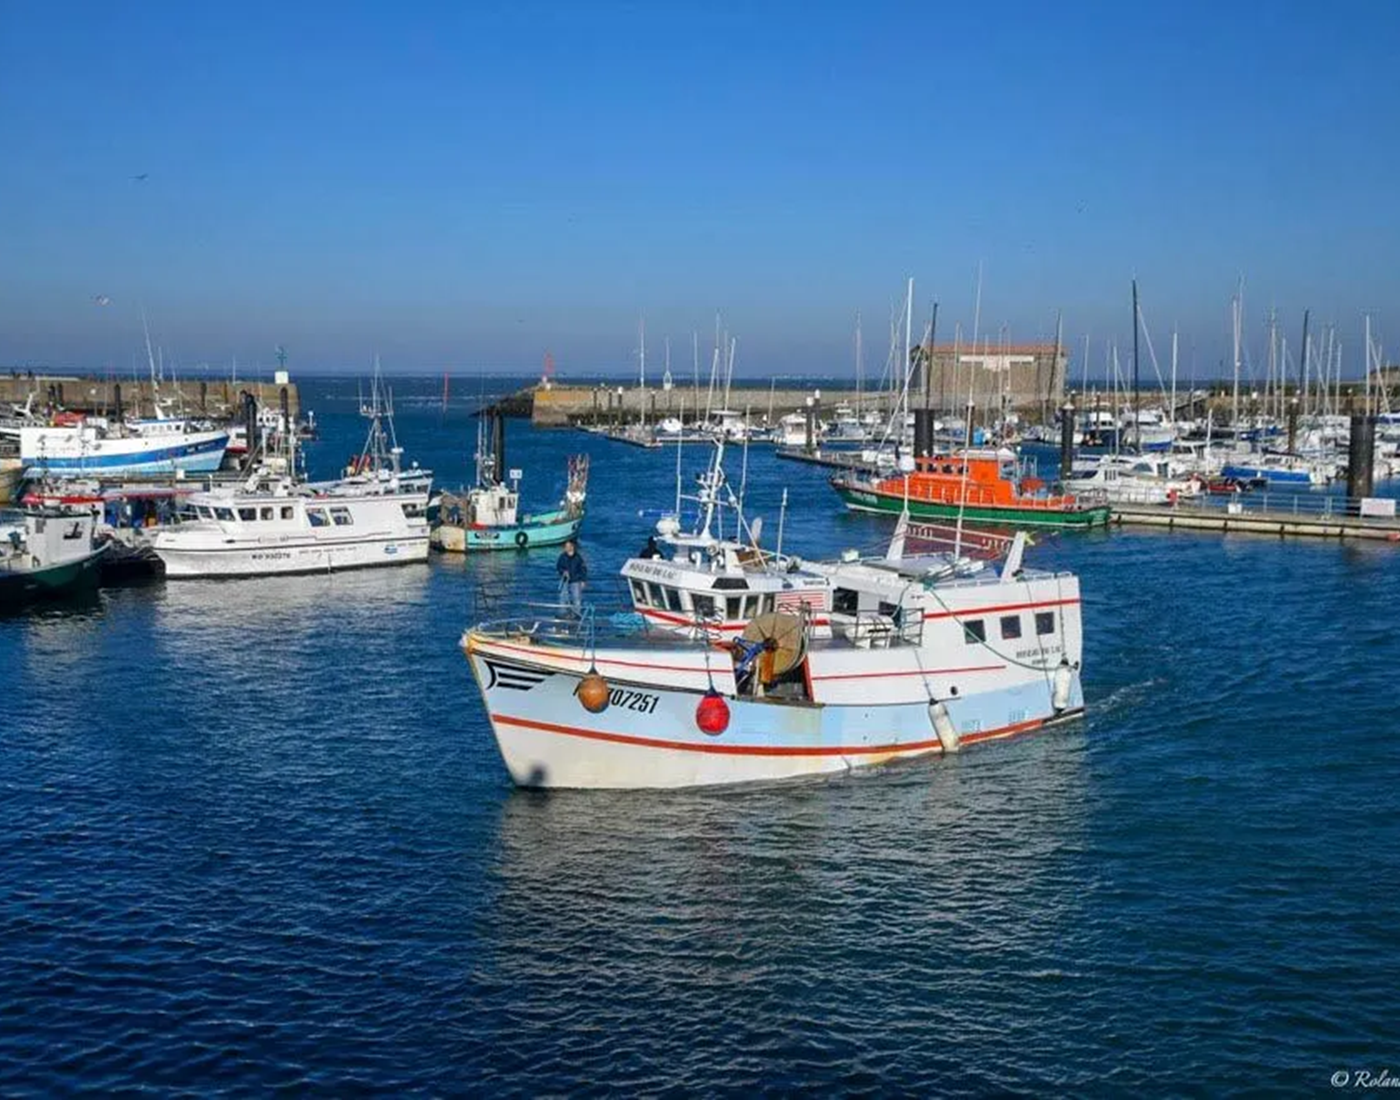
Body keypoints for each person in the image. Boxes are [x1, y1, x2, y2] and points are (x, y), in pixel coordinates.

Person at [556, 539, 587, 615]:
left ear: (572, 547)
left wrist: (583, 580)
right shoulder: (562, 557)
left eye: (568, 546)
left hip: (576, 580)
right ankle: (562, 613)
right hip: (565, 580)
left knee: (576, 598)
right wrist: (563, 572)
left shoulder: (578, 557)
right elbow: (558, 567)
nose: (567, 548)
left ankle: (577, 614)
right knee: (563, 597)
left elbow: (583, 569)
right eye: (566, 546)